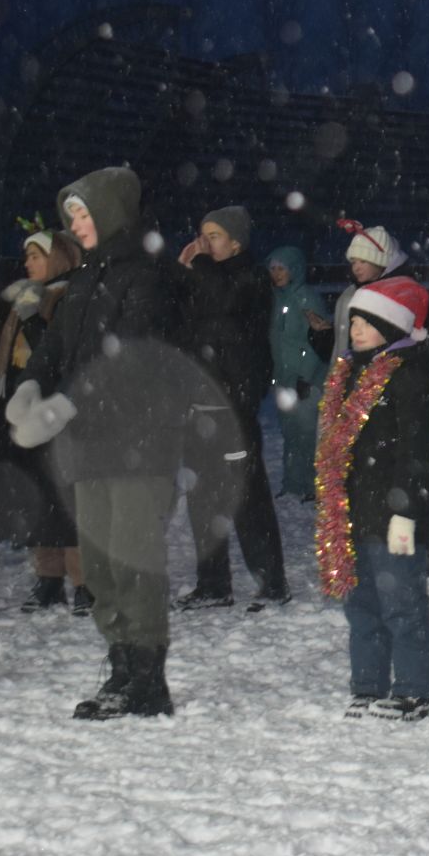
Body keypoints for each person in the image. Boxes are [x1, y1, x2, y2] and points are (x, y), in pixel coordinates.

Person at [11, 168, 192, 719]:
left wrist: (66, 402)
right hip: (88, 447)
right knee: (100, 564)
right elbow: (57, 345)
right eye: (72, 217)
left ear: (112, 212)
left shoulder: (145, 277)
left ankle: (146, 678)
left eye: (85, 213)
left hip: (138, 443)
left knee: (132, 559)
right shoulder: (85, 279)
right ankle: (119, 663)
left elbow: (126, 356)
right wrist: (29, 386)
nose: (77, 225)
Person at [314, 275, 429, 721]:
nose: (357, 329)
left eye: (368, 321)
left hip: (393, 513)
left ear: (392, 326)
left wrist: (405, 512)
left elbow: (414, 451)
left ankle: (415, 690)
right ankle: (367, 685)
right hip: (352, 512)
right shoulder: (348, 374)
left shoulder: (407, 376)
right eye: (354, 321)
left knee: (402, 604)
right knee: (361, 604)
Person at [176, 206, 288, 612]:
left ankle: (271, 583)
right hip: (198, 404)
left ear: (236, 242)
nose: (205, 243)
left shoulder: (250, 276)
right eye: (202, 234)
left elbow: (224, 306)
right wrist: (183, 273)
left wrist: (201, 265)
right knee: (202, 497)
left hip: (233, 405)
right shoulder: (204, 276)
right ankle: (213, 584)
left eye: (215, 236)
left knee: (245, 496)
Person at [0, 230, 89, 614]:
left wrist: (32, 319)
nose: (28, 263)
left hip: (61, 410)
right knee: (39, 498)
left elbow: (60, 351)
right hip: (28, 408)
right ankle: (48, 579)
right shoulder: (27, 298)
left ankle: (84, 582)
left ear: (59, 258)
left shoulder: (71, 296)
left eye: (36, 255)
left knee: (69, 499)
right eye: (26, 256)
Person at [265, 246, 327, 500]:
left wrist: (306, 375)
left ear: (294, 270)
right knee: (290, 433)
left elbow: (317, 340)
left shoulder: (307, 299)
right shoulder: (274, 299)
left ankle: (314, 486)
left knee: (308, 434)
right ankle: (293, 483)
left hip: (306, 380)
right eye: (273, 268)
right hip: (284, 378)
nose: (277, 273)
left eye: (282, 268)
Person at [314, 220, 408, 364]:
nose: (356, 268)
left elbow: (401, 346)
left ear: (380, 262)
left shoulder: (395, 296)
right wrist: (323, 333)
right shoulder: (350, 294)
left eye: (363, 261)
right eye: (353, 262)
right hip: (348, 379)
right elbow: (342, 346)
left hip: (376, 380)